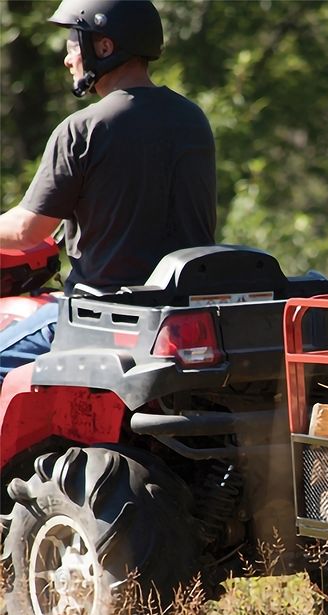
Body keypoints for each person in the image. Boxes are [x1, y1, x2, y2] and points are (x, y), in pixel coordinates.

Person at [0, 0, 216, 381]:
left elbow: (26, 232)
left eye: (73, 44)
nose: (68, 59)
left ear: (104, 47)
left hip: (99, 317)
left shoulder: (84, 128)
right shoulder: (192, 118)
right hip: (177, 311)